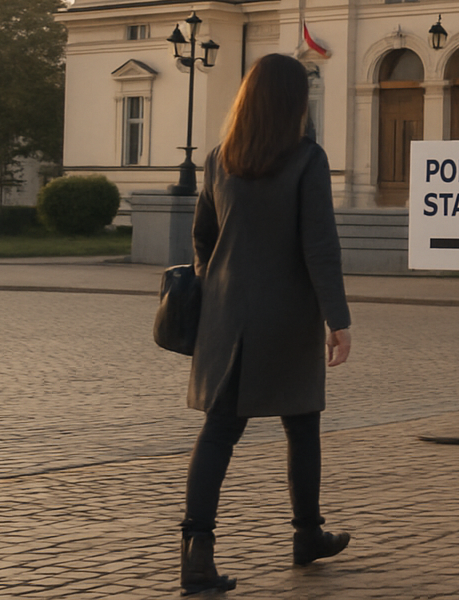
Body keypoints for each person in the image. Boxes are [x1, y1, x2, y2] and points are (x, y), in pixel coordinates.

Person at [181, 53, 353, 595]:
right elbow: (319, 246)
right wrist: (337, 318)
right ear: (294, 102)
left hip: (226, 316)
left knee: (220, 432)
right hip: (286, 316)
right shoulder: (307, 159)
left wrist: (219, 285)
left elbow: (202, 241)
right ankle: (306, 534)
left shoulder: (218, 159)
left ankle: (197, 552)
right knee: (301, 424)